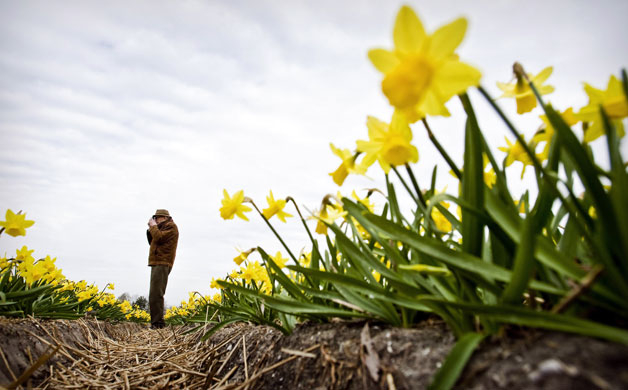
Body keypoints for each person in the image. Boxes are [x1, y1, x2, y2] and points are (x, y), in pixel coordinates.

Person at [146, 209, 179, 329]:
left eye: (157, 218)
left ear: (164, 218)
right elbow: (153, 241)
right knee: (154, 293)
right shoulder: (163, 228)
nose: (155, 220)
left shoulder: (171, 227)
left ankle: (158, 323)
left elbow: (159, 238)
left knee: (156, 293)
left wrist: (154, 227)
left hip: (162, 262)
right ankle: (157, 322)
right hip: (157, 262)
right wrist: (152, 229)